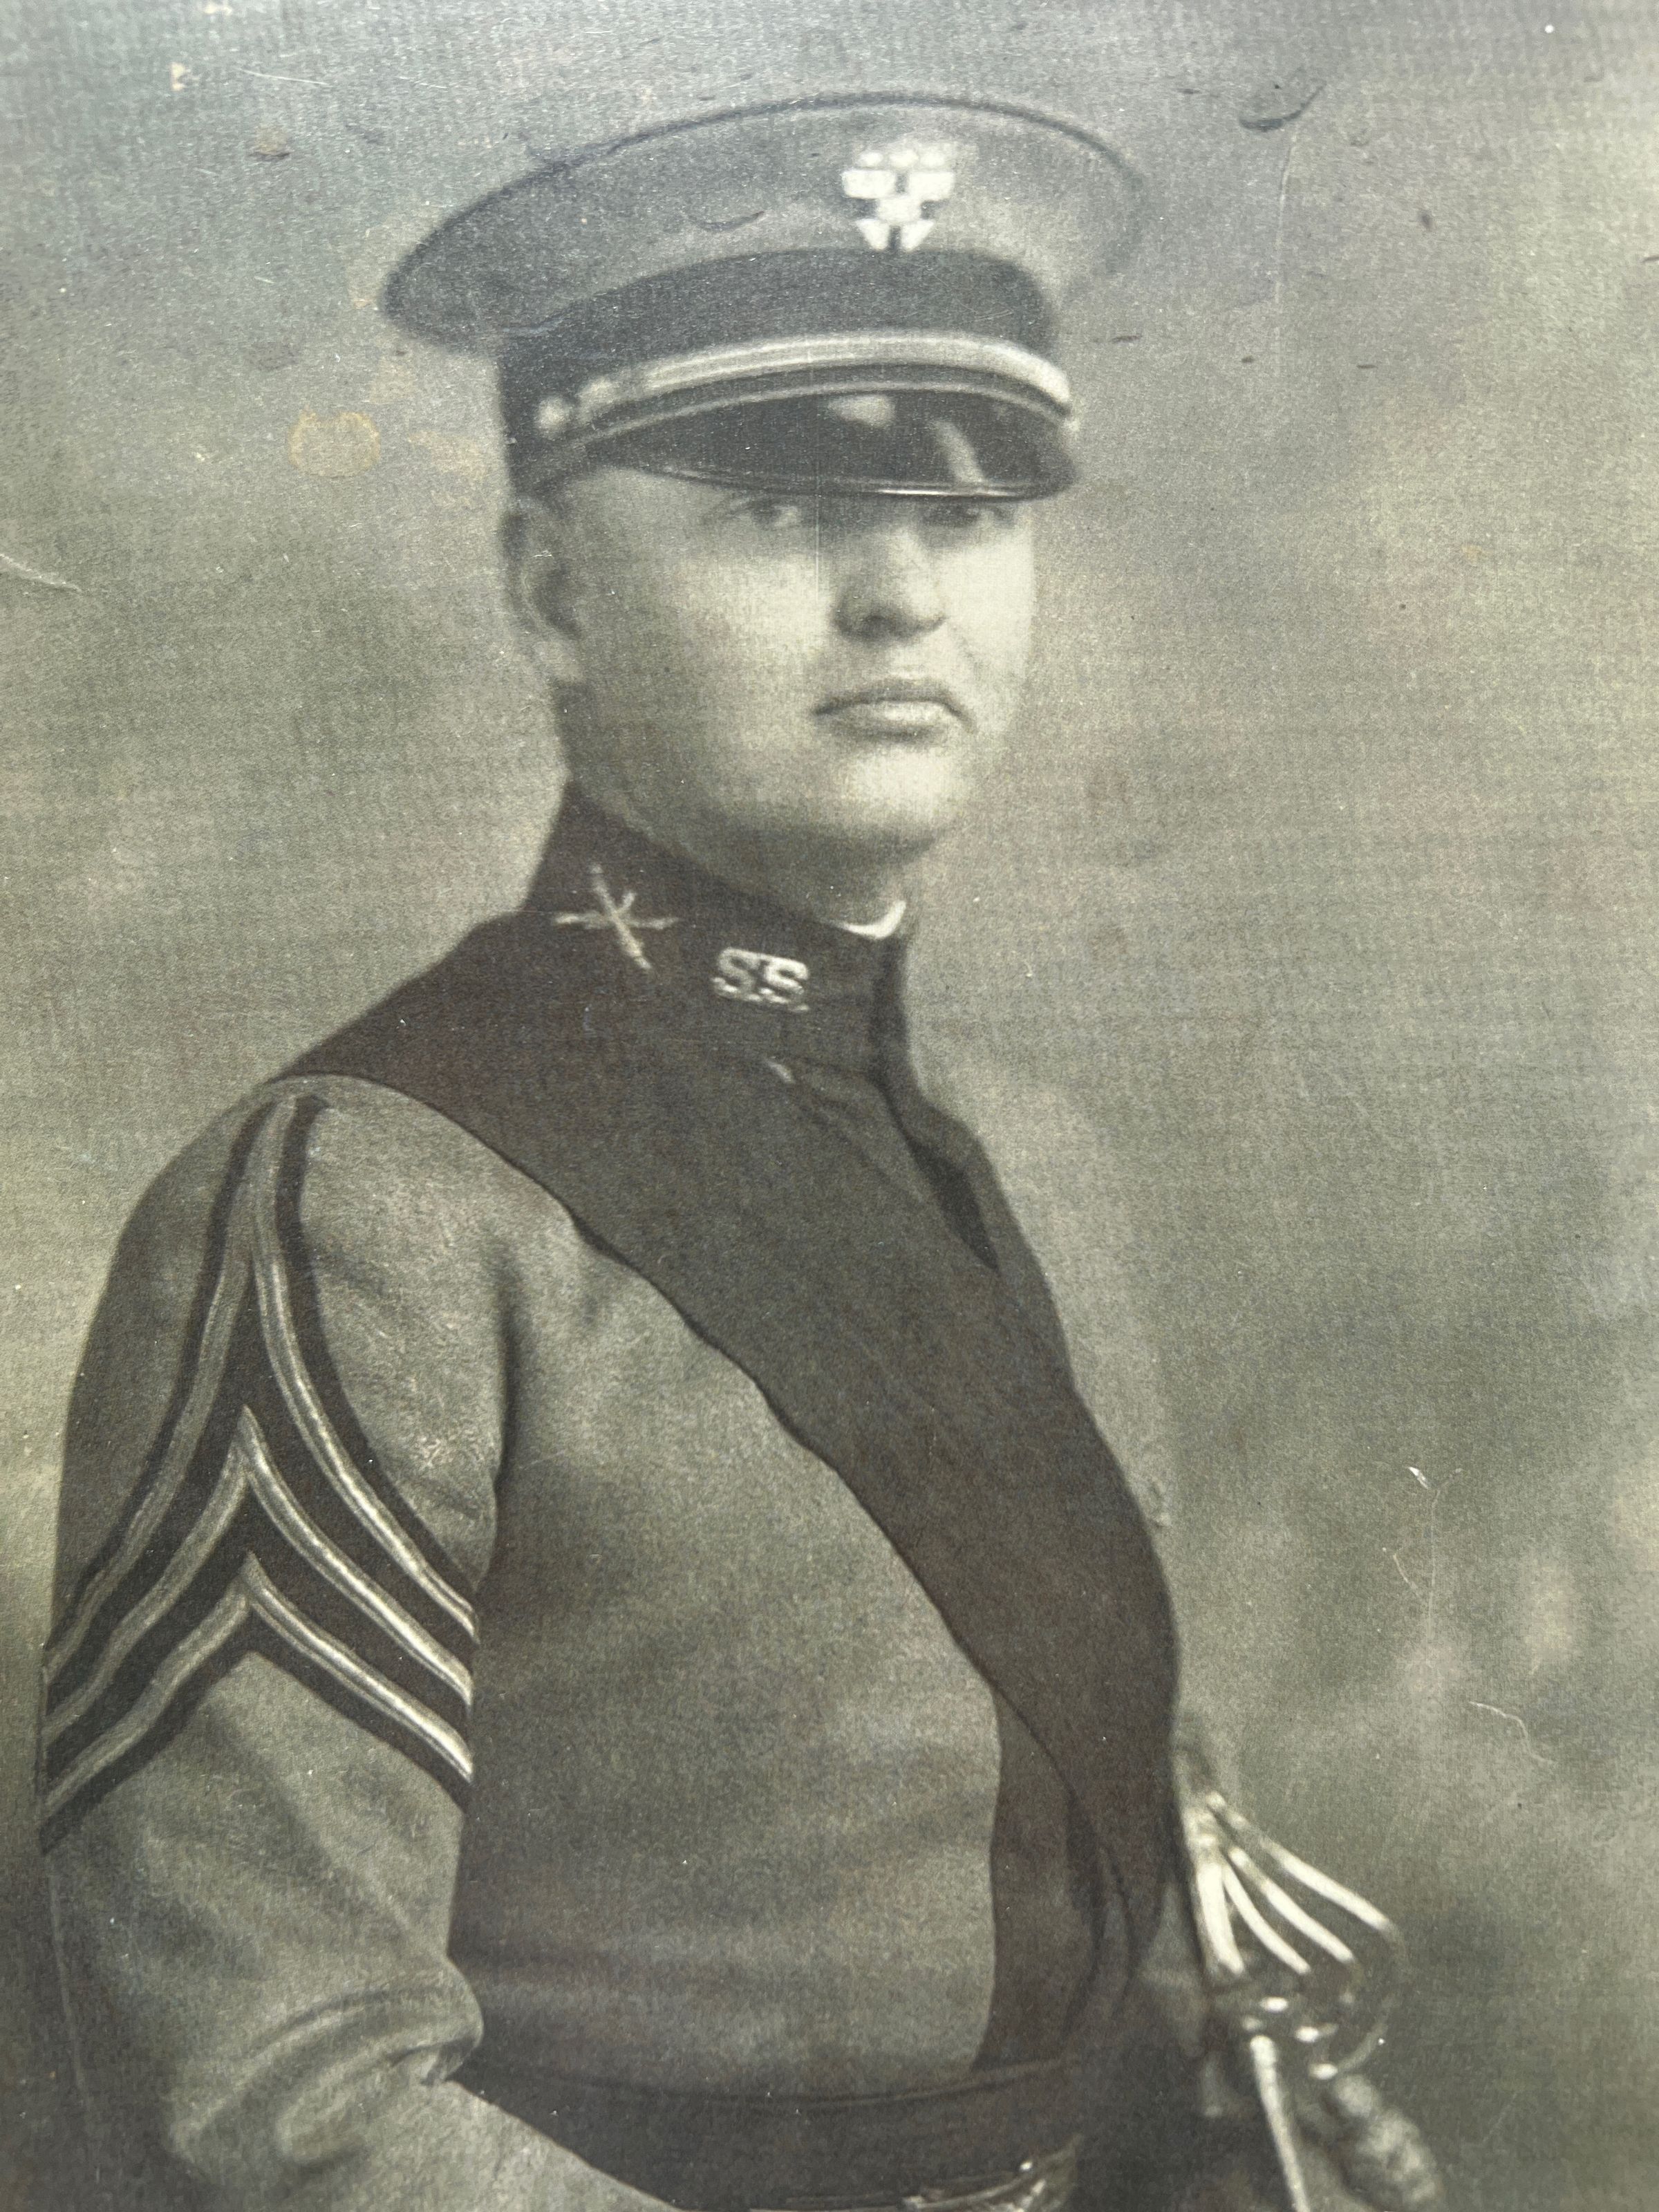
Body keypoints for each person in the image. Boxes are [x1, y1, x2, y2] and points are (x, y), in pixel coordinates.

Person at [36, 95, 1438, 2212]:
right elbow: (274, 2107)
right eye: (787, 509)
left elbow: (1125, 1932)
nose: (902, 595)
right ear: (552, 590)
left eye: (972, 513)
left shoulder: (1037, 1166)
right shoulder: (357, 1208)